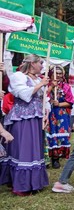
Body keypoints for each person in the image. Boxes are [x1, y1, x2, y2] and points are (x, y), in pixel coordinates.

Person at [1, 54, 49, 196]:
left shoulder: (39, 79)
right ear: (32, 64)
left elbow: (43, 99)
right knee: (23, 148)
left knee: (34, 148)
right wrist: (40, 85)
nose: (42, 66)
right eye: (40, 63)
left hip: (36, 117)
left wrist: (45, 113)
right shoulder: (19, 77)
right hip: (22, 118)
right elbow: (23, 95)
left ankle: (33, 182)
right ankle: (20, 184)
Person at [46, 66, 74, 169]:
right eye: (55, 73)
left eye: (59, 73)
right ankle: (48, 158)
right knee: (49, 134)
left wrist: (59, 104)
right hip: (49, 113)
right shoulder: (46, 85)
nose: (58, 75)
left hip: (61, 114)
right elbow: (42, 97)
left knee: (59, 134)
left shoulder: (66, 87)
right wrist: (51, 87)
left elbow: (70, 102)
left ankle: (57, 157)